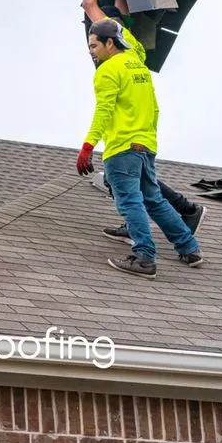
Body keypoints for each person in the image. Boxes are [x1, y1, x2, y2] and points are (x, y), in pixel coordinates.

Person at [80, 0, 207, 244]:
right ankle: (185, 232)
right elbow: (120, 6)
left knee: (128, 186)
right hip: (144, 132)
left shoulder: (108, 49)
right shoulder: (134, 47)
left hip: (124, 135)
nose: (91, 47)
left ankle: (146, 243)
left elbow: (88, 2)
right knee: (140, 186)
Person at [77, 18, 203, 278]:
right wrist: (113, 20)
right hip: (145, 144)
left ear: (110, 43)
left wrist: (88, 146)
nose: (90, 51)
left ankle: (144, 257)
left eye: (93, 45)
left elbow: (104, 110)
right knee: (154, 201)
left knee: (130, 202)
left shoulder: (108, 70)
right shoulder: (137, 63)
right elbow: (136, 49)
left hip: (122, 148)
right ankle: (189, 249)